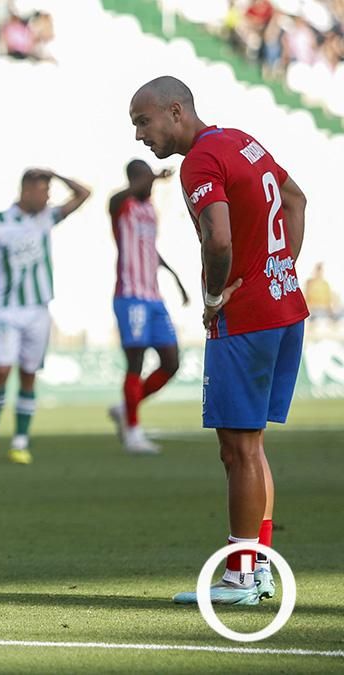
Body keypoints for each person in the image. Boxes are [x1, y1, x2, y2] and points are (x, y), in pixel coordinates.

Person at [130, 76, 308, 605]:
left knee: (236, 451)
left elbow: (220, 236)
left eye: (144, 121)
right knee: (251, 447)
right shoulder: (242, 141)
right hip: (284, 308)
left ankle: (239, 577)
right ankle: (259, 567)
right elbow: (296, 199)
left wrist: (214, 298)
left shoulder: (199, 161)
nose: (140, 135)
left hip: (247, 319)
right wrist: (278, 269)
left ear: (176, 111)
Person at [0, 169, 90, 465]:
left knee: (30, 373)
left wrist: (57, 175)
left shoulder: (46, 217)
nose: (48, 196)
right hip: (6, 310)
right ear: (27, 190)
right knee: (3, 370)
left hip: (38, 310)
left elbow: (84, 194)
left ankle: (20, 442)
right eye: (44, 190)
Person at [107, 160, 191, 454]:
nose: (151, 186)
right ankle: (133, 432)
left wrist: (176, 278)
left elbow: (149, 250)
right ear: (134, 180)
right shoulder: (121, 205)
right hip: (130, 297)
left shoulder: (149, 211)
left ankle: (125, 407)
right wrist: (152, 176)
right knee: (136, 362)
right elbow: (123, 195)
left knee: (171, 362)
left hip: (154, 298)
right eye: (145, 181)